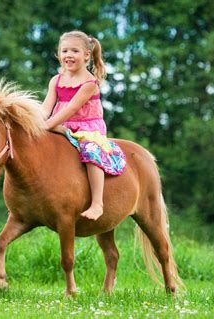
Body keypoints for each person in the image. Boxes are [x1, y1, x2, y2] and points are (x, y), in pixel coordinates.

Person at [41, 30, 126, 221]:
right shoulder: (56, 80)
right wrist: (36, 122)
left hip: (87, 129)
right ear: (58, 54)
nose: (68, 55)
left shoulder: (89, 83)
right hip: (61, 124)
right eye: (64, 51)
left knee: (91, 151)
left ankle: (97, 203)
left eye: (74, 51)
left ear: (87, 55)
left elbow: (71, 109)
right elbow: (46, 107)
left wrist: (47, 125)